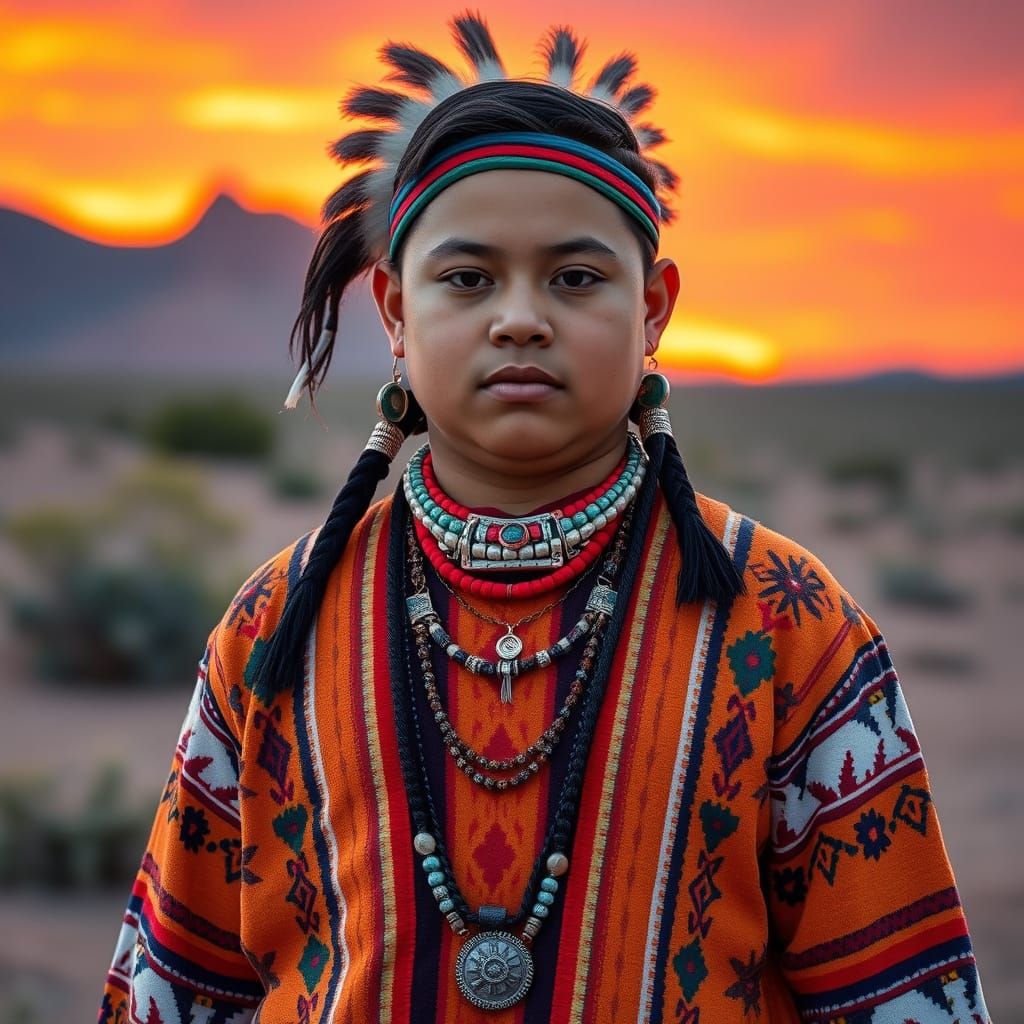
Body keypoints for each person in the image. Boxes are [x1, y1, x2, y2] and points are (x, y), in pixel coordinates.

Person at [99, 14, 990, 1023]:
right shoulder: (276, 624)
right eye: (467, 277)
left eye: (574, 277)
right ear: (394, 311)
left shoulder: (787, 622)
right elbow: (173, 989)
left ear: (654, 307)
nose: (518, 316)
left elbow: (908, 995)